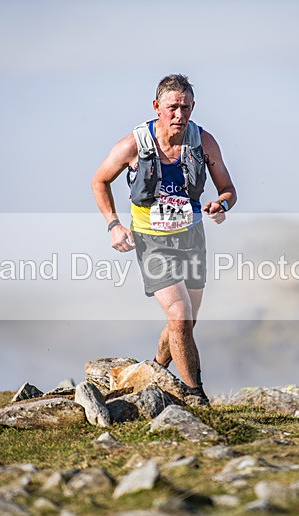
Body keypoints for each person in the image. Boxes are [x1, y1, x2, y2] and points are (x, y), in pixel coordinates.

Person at [91, 74, 237, 406]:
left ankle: (155, 370)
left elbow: (229, 190)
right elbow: (99, 181)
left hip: (192, 237)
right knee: (180, 315)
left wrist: (222, 205)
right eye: (172, 107)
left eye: (185, 107)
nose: (179, 114)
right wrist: (113, 225)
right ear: (157, 107)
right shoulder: (133, 145)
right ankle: (196, 396)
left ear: (193, 107)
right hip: (152, 241)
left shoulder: (204, 142)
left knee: (184, 322)